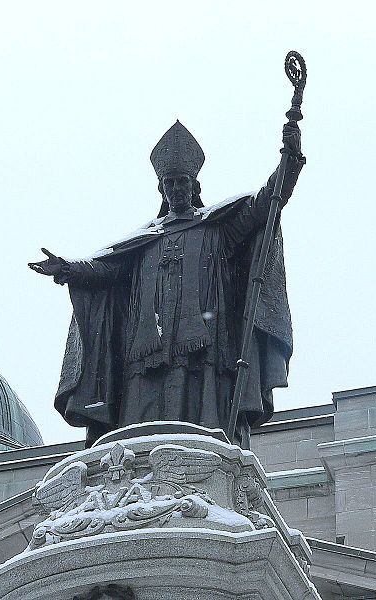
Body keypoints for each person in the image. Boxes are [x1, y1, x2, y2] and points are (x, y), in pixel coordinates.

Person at [30, 121, 304, 447]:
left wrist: (290, 159)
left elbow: (267, 202)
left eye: (182, 181)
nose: (176, 189)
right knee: (139, 427)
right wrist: (67, 268)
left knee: (204, 418)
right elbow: (105, 270)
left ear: (194, 185)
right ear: (161, 189)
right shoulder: (144, 241)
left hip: (204, 349)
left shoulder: (218, 229)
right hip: (146, 353)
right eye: (169, 183)